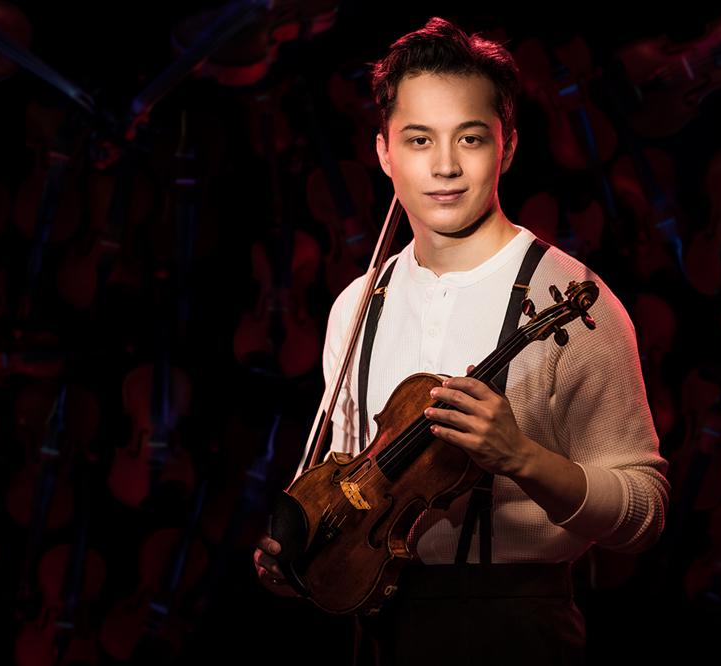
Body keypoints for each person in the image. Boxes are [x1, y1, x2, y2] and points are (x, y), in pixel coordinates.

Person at [254, 16, 669, 665]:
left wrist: (522, 457)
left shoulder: (575, 304)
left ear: (506, 146)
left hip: (518, 630)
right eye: (419, 140)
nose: (444, 166)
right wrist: (307, 540)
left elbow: (644, 513)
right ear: (385, 152)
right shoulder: (356, 306)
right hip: (375, 630)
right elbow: (349, 482)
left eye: (469, 138)